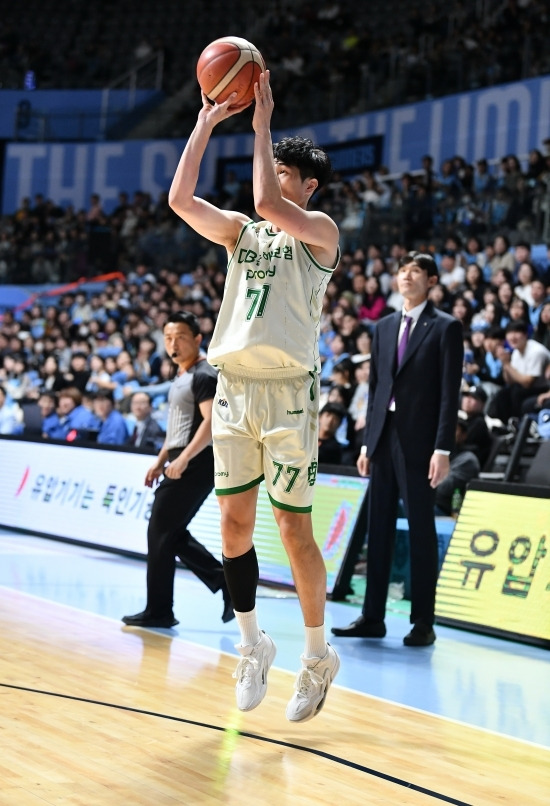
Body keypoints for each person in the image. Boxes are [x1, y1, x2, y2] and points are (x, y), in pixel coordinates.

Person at [167, 70, 340, 723]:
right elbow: (181, 197)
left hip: (289, 395)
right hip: (236, 389)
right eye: (270, 169)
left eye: (282, 171)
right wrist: (208, 123)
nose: (271, 178)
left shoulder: (319, 232)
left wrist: (262, 122)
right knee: (234, 527)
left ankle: (318, 656)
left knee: (294, 530)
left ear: (308, 185)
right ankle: (252, 643)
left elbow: (273, 206)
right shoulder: (240, 231)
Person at [331, 252, 463, 647]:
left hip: (421, 444)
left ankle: (423, 621)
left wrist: (442, 448)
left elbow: (448, 394)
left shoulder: (446, 327)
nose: (406, 277)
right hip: (383, 439)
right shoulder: (383, 326)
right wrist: (368, 441)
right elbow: (375, 390)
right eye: (402, 271)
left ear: (432, 280)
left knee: (421, 531)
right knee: (378, 527)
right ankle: (373, 616)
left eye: (416, 271)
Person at [122, 312, 234, 629]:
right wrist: (161, 461)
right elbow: (177, 429)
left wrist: (182, 459)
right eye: (168, 337)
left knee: (161, 532)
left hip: (197, 463)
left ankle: (161, 610)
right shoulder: (182, 376)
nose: (173, 343)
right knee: (168, 535)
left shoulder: (204, 375)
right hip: (182, 461)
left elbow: (211, 423)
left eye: (181, 336)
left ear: (198, 339)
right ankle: (225, 582)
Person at [434, 416, 480, 516]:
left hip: (444, 510)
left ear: (463, 436)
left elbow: (443, 488)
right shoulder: (432, 454)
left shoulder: (467, 460)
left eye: (452, 429)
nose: (446, 433)